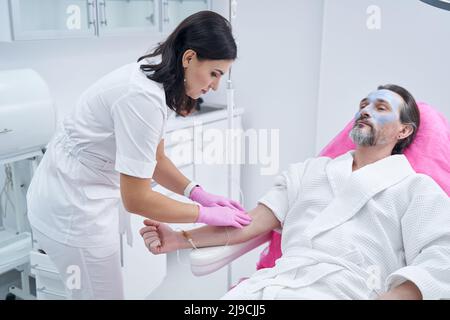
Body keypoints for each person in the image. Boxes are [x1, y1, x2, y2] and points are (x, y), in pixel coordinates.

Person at [140, 84, 450, 300]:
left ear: (404, 131)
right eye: (363, 105)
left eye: (380, 108)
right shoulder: (308, 172)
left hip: (348, 290)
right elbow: (247, 223)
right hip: (274, 284)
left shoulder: (416, 189)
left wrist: (397, 295)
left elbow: (442, 255)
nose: (366, 111)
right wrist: (179, 239)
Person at [26, 11, 249, 300]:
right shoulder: (142, 97)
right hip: (71, 209)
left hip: (78, 194)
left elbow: (156, 160)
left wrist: (197, 193)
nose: (215, 86)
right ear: (189, 58)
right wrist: (204, 214)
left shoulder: (156, 80)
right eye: (214, 74)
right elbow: (137, 199)